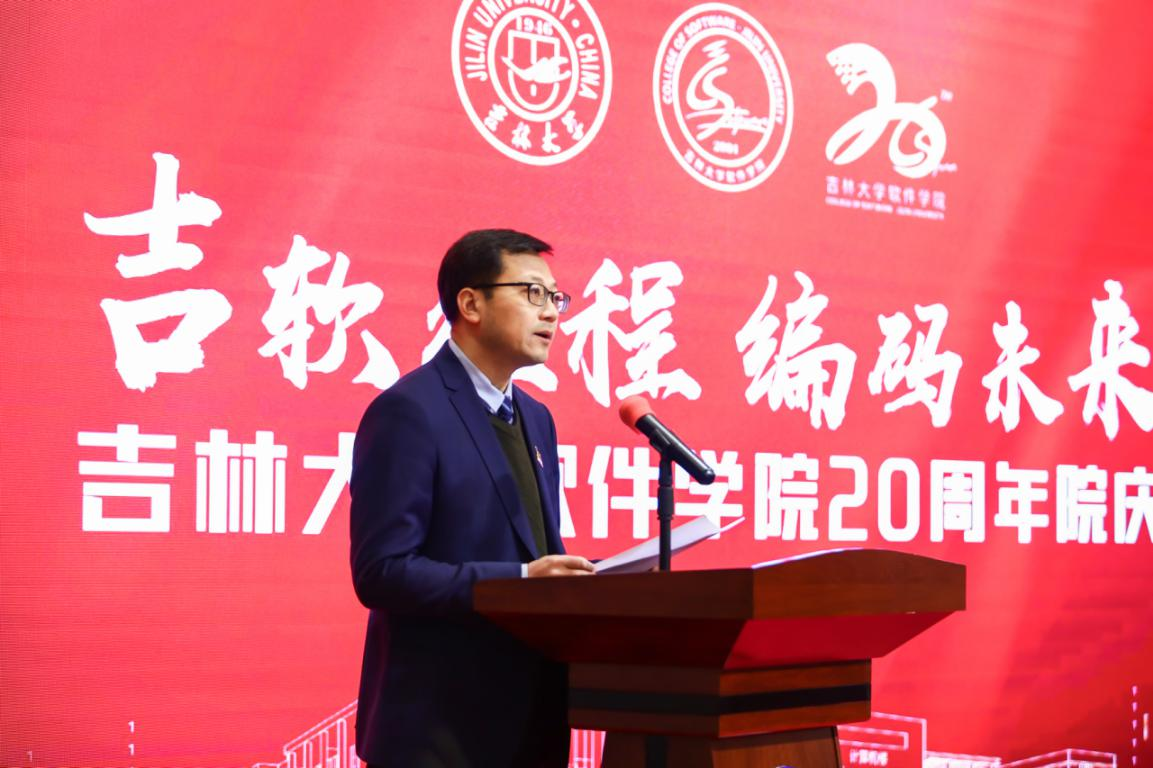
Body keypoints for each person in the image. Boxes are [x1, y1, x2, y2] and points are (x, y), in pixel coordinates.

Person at [350, 229, 595, 768]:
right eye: (532, 293)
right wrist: (522, 580)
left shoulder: (537, 418)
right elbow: (382, 573)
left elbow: (530, 548)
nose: (551, 312)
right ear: (470, 304)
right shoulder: (409, 411)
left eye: (555, 297)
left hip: (532, 720)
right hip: (439, 732)